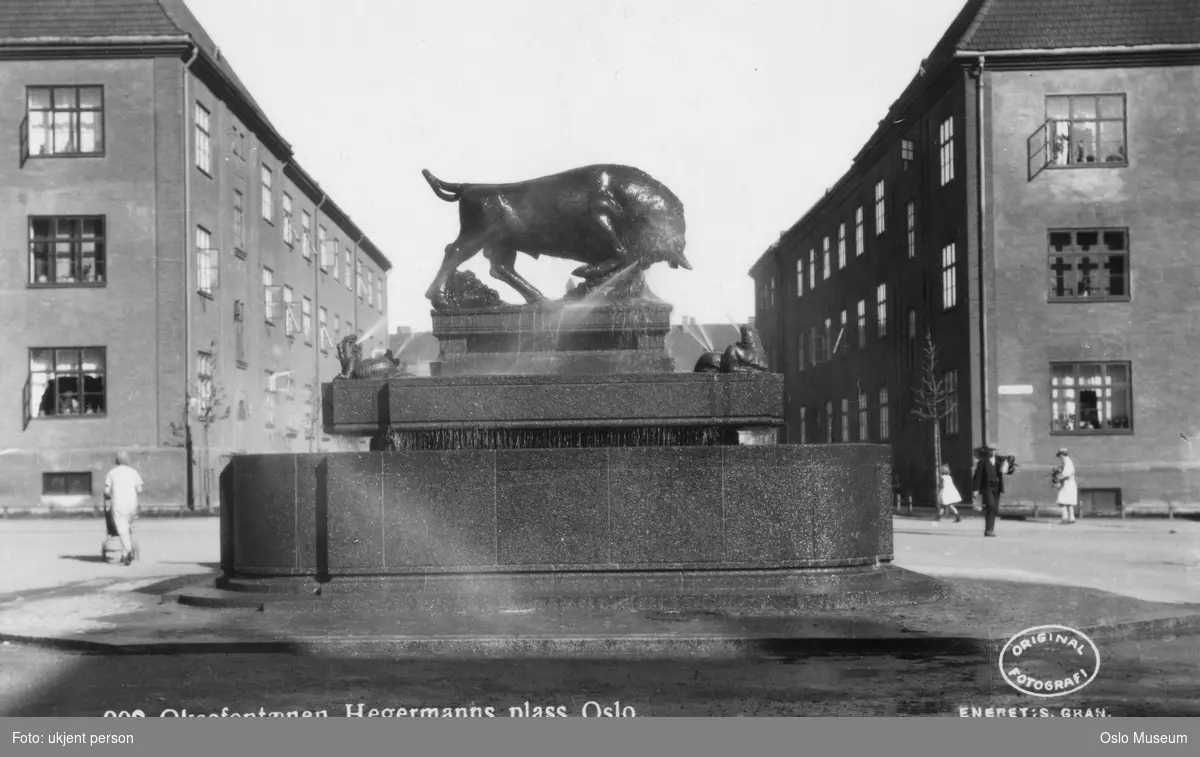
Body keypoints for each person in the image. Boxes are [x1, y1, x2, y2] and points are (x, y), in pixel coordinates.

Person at [103, 451, 144, 566]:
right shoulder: (134, 472)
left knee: (122, 529)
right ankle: (125, 555)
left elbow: (106, 491)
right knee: (127, 529)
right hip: (132, 504)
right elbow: (139, 490)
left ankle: (128, 550)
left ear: (116, 461)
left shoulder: (111, 473)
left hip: (119, 504)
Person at [971, 445, 1005, 537]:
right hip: (987, 487)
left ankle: (990, 530)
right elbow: (978, 476)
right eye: (990, 450)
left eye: (994, 450)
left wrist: (1009, 465)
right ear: (987, 451)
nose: (992, 452)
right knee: (991, 505)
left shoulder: (999, 461)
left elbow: (1007, 471)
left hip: (997, 488)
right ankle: (988, 530)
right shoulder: (982, 462)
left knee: (994, 509)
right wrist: (975, 489)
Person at [1055, 448, 1078, 524]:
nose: (1060, 457)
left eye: (1060, 455)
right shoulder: (1066, 462)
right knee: (1069, 502)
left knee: (1062, 501)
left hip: (1067, 484)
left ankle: (1065, 518)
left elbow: (1066, 474)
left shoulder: (1067, 462)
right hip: (1069, 484)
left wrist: (1058, 479)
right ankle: (1071, 518)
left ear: (1062, 454)